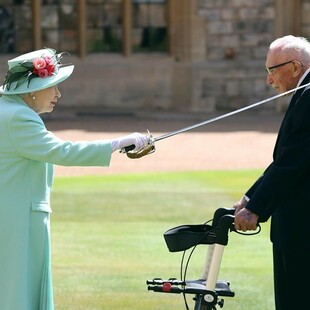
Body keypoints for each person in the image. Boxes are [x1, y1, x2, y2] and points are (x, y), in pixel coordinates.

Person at [0, 48, 150, 310]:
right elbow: (62, 151)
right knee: (18, 294)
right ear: (33, 89)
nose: (58, 94)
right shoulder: (19, 117)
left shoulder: (6, 109)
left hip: (12, 216)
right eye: (52, 86)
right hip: (17, 221)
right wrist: (117, 143)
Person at [234, 35, 310, 310]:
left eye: (272, 70)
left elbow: (293, 161)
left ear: (295, 67)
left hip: (303, 228)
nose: (269, 79)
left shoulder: (309, 95)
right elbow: (288, 157)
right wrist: (250, 197)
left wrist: (256, 208)